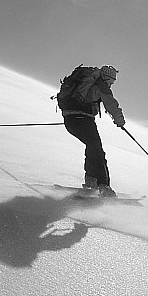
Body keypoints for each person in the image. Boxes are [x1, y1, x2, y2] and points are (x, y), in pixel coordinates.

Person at [61, 65, 125, 197]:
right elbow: (111, 103)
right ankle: (104, 186)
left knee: (92, 147)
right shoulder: (101, 84)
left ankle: (91, 181)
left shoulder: (86, 82)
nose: (111, 85)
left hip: (70, 119)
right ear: (107, 78)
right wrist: (119, 120)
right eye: (111, 82)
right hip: (84, 119)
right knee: (97, 150)